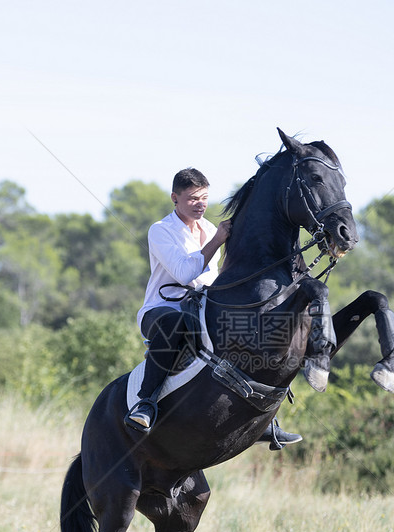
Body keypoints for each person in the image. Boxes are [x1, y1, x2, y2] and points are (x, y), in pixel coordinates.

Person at [124, 167, 302, 449]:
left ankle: (264, 421)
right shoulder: (160, 231)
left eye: (204, 198)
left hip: (204, 308)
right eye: (193, 198)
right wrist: (218, 240)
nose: (201, 204)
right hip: (163, 310)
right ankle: (145, 404)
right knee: (176, 324)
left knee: (254, 333)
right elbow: (184, 274)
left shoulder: (209, 228)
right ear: (175, 198)